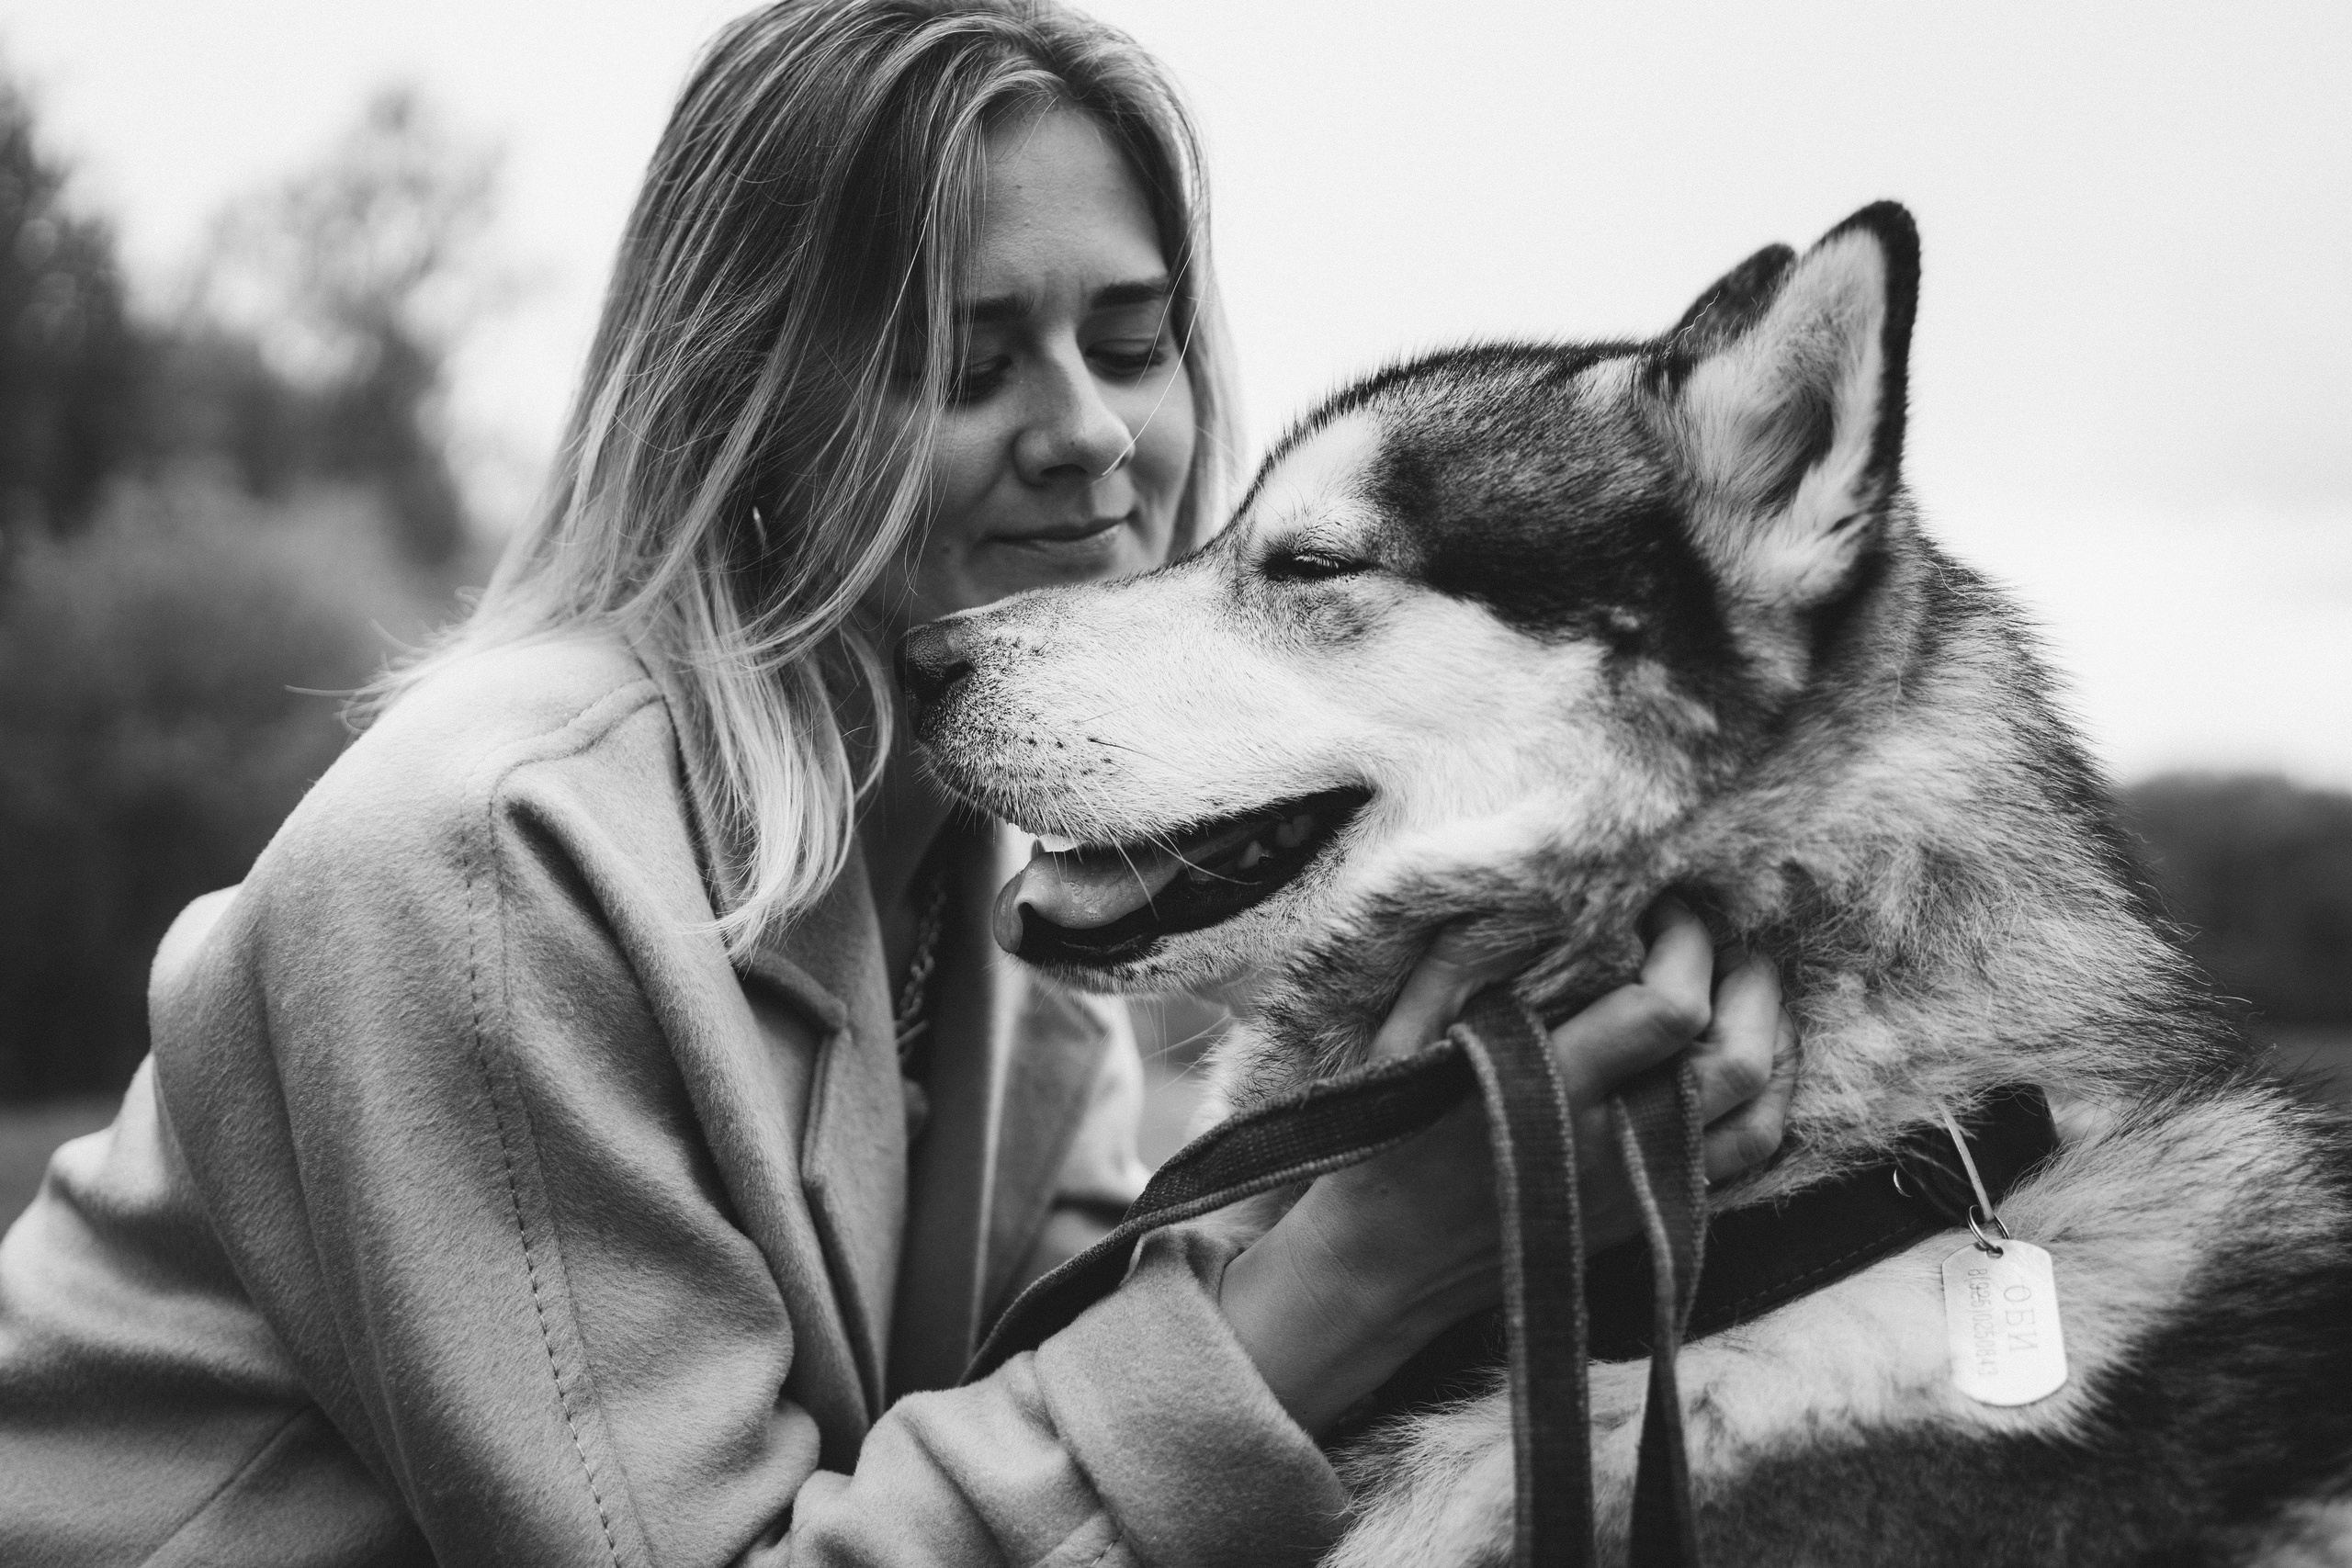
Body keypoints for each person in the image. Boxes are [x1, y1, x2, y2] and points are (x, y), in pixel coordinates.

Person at [0, 2, 1792, 1562]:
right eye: (966, 357)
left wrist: (1485, 1120)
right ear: (747, 402)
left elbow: (1053, 1423)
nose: (1088, 433)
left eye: (1127, 336)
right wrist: (1375, 1262)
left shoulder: (1006, 880)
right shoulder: (491, 860)